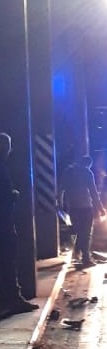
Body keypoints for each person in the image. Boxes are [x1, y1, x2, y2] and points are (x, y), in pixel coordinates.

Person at [0, 132, 39, 316]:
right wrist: (14, 195)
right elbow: (6, 197)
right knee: (8, 260)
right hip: (4, 224)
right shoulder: (2, 169)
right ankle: (13, 300)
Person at [59, 155, 106, 268]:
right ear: (88, 164)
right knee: (86, 233)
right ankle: (85, 258)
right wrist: (101, 208)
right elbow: (93, 193)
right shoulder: (87, 173)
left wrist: (60, 204)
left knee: (77, 231)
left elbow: (61, 189)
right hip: (85, 207)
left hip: (73, 207)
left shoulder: (68, 172)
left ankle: (77, 253)